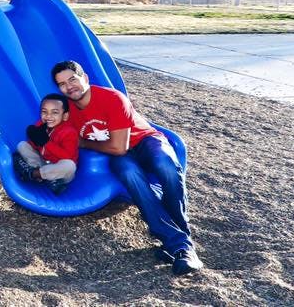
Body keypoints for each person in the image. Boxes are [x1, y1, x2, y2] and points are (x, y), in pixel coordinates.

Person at [51, 60, 204, 275]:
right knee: (128, 172)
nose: (69, 86)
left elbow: (118, 147)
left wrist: (84, 143)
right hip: (117, 154)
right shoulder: (68, 113)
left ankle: (181, 242)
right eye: (62, 84)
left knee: (165, 164)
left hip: (144, 140)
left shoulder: (111, 98)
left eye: (72, 79)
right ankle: (181, 245)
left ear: (84, 78)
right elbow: (50, 132)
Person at [12, 93, 79, 194]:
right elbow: (36, 146)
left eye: (55, 112)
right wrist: (34, 139)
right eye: (44, 112)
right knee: (22, 145)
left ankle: (33, 174)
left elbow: (67, 156)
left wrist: (47, 143)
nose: (48, 116)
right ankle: (46, 177)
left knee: (70, 166)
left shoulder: (69, 132)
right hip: (43, 162)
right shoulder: (40, 124)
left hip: (60, 170)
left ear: (65, 116)